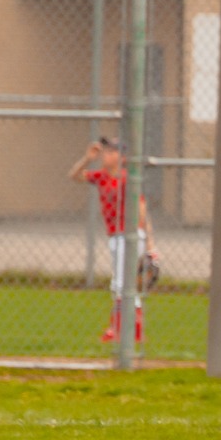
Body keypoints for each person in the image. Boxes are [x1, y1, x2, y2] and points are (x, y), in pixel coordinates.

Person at [68, 137, 156, 345]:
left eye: (111, 151)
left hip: (130, 235)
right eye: (105, 151)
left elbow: (142, 209)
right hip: (116, 236)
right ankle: (129, 330)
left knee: (121, 283)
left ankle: (122, 329)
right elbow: (74, 176)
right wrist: (87, 159)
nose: (105, 155)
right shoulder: (101, 176)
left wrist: (150, 244)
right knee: (122, 283)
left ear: (122, 157)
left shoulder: (127, 179)